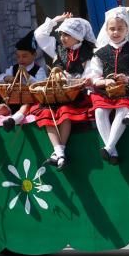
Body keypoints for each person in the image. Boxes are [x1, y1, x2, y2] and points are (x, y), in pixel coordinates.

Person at [34, 16, 97, 170]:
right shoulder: (57, 48)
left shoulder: (89, 53)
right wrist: (57, 19)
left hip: (75, 95)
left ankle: (59, 153)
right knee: (47, 113)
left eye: (66, 35)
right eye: (61, 34)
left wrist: (73, 81)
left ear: (78, 36)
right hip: (56, 94)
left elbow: (89, 75)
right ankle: (59, 152)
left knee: (65, 113)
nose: (62, 38)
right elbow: (39, 35)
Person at [87, 7, 129, 165]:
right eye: (112, 29)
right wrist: (105, 81)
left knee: (123, 110)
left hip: (127, 90)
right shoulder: (99, 53)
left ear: (127, 30)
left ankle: (109, 147)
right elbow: (95, 76)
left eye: (119, 29)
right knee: (100, 111)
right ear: (106, 30)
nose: (115, 32)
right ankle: (113, 150)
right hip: (106, 91)